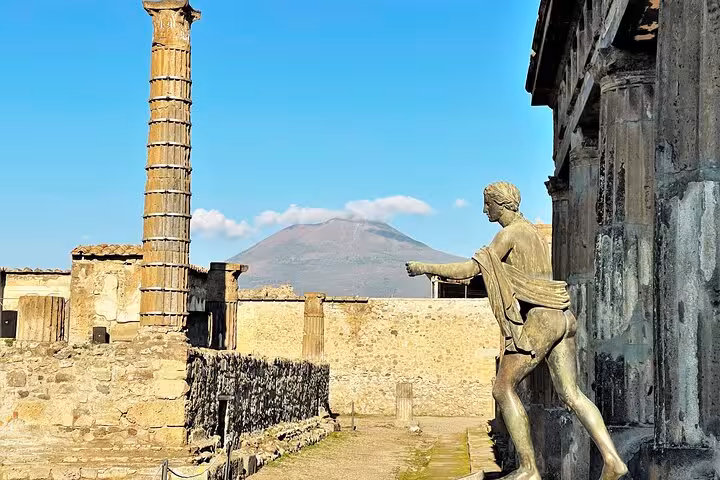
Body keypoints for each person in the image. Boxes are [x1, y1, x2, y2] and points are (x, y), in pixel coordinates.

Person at [405, 182, 627, 480]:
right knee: (571, 394)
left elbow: (470, 271)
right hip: (563, 315)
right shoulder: (532, 233)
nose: (485, 210)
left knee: (502, 387)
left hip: (541, 318)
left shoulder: (509, 235)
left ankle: (528, 468)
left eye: (488, 204)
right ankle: (612, 459)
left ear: (502, 204)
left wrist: (424, 267)